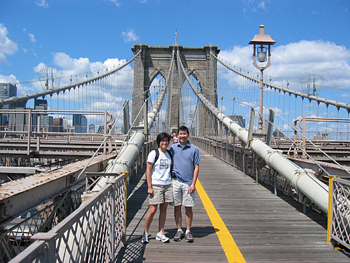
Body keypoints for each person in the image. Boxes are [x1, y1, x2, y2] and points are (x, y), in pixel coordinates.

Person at [170, 126, 200, 242]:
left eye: (184, 134)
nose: (182, 136)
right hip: (175, 181)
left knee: (188, 207)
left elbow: (196, 167)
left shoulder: (194, 149)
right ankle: (179, 230)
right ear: (177, 136)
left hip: (188, 183)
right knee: (177, 207)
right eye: (180, 134)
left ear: (188, 135)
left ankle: (188, 231)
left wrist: (193, 183)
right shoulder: (172, 148)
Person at [142, 132, 173, 243]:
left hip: (167, 185)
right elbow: (148, 171)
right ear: (159, 142)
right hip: (156, 185)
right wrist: (149, 186)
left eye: (166, 140)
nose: (165, 142)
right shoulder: (153, 153)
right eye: (162, 140)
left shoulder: (170, 153)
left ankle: (160, 233)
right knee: (152, 209)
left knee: (163, 210)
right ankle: (145, 233)